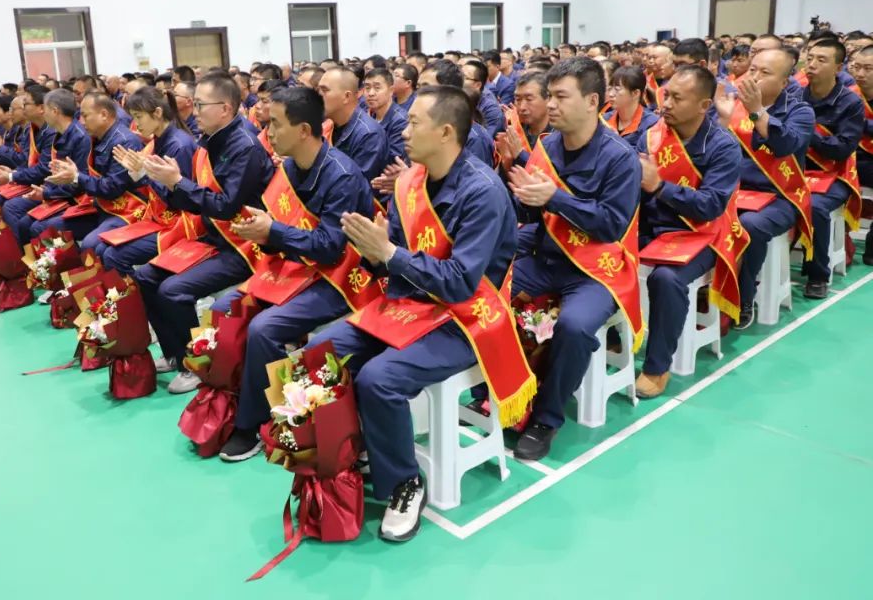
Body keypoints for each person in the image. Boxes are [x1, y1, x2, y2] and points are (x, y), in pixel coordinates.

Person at [306, 85, 522, 542]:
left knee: (378, 379)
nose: (403, 132)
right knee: (319, 349)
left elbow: (461, 282)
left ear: (445, 132)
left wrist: (389, 253)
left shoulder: (483, 193)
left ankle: (405, 483)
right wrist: (373, 251)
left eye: (414, 123)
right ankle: (356, 447)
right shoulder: (410, 183)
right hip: (412, 304)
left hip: (468, 317)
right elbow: (395, 262)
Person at [215, 86, 376, 461]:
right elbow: (282, 234)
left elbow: (331, 247)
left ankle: (257, 423)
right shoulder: (288, 168)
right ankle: (234, 401)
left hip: (339, 278)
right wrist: (263, 234)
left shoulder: (341, 176)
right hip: (297, 267)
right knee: (225, 307)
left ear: (304, 130)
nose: (267, 132)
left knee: (264, 327)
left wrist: (273, 232)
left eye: (275, 124)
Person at [506, 58, 642, 460]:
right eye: (549, 96)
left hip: (596, 270)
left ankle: (546, 418)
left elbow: (611, 225)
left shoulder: (620, 157)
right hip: (547, 257)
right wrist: (523, 197)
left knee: (575, 325)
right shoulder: (547, 146)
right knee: (489, 294)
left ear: (593, 101)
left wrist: (555, 198)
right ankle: (503, 391)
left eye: (561, 97)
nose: (551, 105)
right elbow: (535, 216)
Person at [133, 74, 274, 394]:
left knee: (173, 291)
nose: (193, 111)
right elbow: (194, 200)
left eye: (200, 105)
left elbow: (226, 206)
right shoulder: (209, 139)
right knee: (145, 277)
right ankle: (174, 352)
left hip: (243, 244)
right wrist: (170, 183)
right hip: (213, 236)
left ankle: (198, 364)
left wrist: (177, 182)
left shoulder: (244, 145)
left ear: (225, 108)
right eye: (194, 104)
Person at [634, 66, 743, 397]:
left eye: (677, 98)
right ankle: (620, 335)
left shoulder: (723, 146)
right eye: (666, 95)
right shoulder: (651, 135)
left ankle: (657, 366)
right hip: (652, 227)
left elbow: (710, 206)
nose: (666, 103)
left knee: (666, 278)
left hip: (702, 233)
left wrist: (659, 187)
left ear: (704, 105)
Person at [714, 49, 815, 326]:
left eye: (765, 73)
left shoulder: (800, 111)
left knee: (750, 225)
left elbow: (785, 145)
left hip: (780, 196)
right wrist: (722, 122)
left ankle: (743, 297)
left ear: (784, 82)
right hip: (735, 193)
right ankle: (711, 290)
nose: (755, 77)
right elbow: (710, 154)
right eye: (753, 70)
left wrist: (757, 111)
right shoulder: (731, 106)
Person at [98, 87, 197, 274]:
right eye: (133, 117)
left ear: (157, 113)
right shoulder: (158, 140)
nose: (135, 124)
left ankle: (134, 293)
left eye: (139, 117)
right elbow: (151, 186)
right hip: (158, 215)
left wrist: (144, 173)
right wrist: (136, 172)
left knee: (113, 255)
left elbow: (179, 199)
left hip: (178, 221)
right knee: (101, 247)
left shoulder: (179, 145)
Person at [801, 37, 865, 298]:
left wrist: (807, 132)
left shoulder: (850, 103)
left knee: (815, 207)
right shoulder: (794, 94)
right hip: (794, 172)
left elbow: (842, 149)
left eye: (821, 60)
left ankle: (818, 275)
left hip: (834, 175)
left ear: (839, 68)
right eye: (810, 58)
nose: (812, 64)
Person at [40, 92, 145, 248]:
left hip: (125, 209)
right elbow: (87, 178)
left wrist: (76, 177)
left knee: (90, 244)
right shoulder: (95, 138)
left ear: (104, 114)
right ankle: (64, 264)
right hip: (100, 204)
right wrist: (70, 177)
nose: (81, 121)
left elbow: (112, 188)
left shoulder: (124, 142)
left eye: (85, 116)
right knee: (48, 228)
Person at [0, 89, 91, 245]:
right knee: (24, 222)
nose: (43, 113)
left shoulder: (80, 137)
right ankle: (26, 257)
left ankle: (54, 260)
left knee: (34, 224)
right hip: (56, 190)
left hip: (76, 198)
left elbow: (78, 183)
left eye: (45, 109)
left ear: (54, 111)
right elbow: (54, 172)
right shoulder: (59, 133)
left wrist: (46, 193)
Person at [317, 67, 389, 182]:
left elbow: (354, 185)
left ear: (346, 96)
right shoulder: (327, 125)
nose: (318, 95)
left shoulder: (369, 134)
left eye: (324, 90)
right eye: (318, 90)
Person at [847, 45, 873, 265]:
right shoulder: (847, 94)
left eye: (868, 68)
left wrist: (863, 124)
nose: (860, 74)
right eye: (856, 67)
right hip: (849, 158)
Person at [604, 66, 659, 148]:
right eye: (609, 88)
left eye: (617, 89)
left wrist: (617, 141)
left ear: (635, 93)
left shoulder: (652, 124)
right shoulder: (604, 120)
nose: (611, 94)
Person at [363, 67, 408, 166]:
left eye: (377, 88)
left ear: (391, 91)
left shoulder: (400, 121)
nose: (371, 93)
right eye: (367, 88)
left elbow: (393, 161)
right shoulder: (368, 114)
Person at [461, 59, 505, 137]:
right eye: (459, 75)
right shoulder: (457, 98)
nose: (459, 79)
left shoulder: (491, 110)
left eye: (464, 77)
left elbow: (485, 140)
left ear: (477, 85)